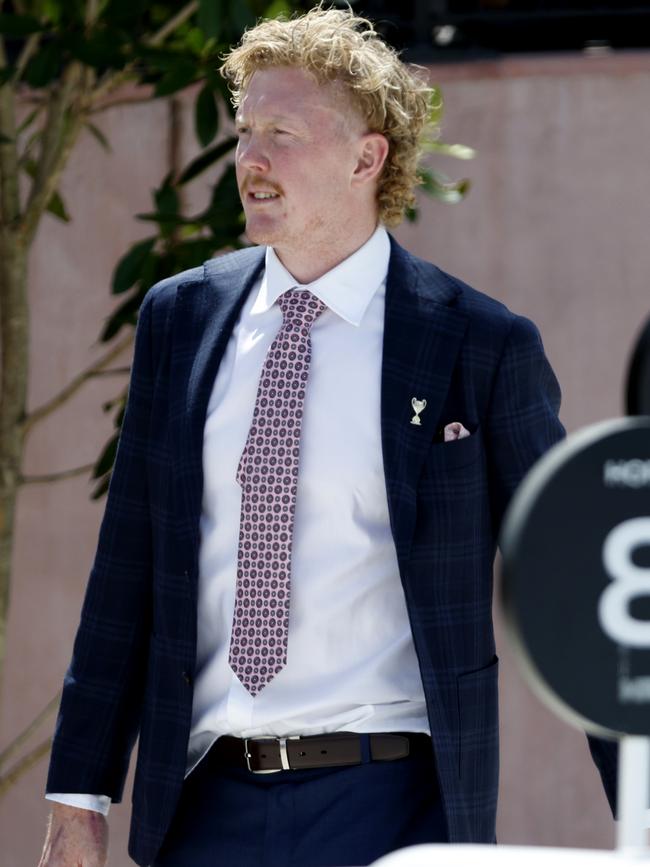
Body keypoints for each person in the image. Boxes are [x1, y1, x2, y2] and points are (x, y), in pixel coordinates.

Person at [39, 6, 617, 866]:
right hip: (202, 805)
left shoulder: (479, 346)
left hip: (394, 805)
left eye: (283, 132)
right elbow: (127, 566)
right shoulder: (180, 319)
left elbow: (573, 587)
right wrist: (79, 797)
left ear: (366, 157)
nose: (250, 160)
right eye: (243, 132)